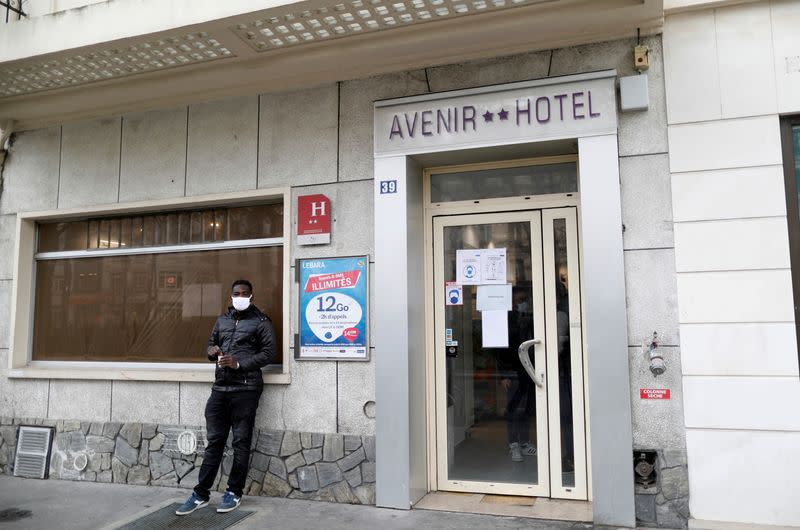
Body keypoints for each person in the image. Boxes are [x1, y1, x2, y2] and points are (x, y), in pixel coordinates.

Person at [176, 279, 276, 516]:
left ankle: (234, 492)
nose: (240, 296)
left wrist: (240, 363)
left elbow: (269, 353)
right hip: (220, 388)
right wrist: (212, 352)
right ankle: (200, 494)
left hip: (246, 389)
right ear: (230, 296)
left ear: (251, 296)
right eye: (236, 293)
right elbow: (212, 344)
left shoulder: (261, 322)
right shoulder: (222, 320)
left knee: (241, 443)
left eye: (244, 293)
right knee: (215, 443)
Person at [497, 287, 536, 463]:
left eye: (524, 299)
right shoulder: (506, 319)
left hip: (528, 369)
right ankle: (514, 444)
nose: (522, 303)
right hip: (512, 370)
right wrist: (503, 374)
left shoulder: (530, 317)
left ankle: (525, 442)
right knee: (513, 408)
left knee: (526, 408)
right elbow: (500, 349)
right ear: (512, 301)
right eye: (519, 300)